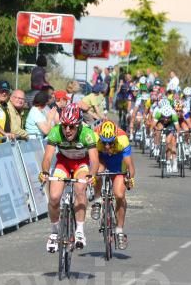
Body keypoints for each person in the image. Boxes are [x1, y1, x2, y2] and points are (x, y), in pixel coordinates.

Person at [38, 105, 99, 251]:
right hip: (63, 163)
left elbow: (94, 160)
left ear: (78, 125)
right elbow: (47, 157)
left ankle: (79, 230)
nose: (67, 130)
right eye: (64, 126)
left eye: (71, 126)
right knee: (54, 197)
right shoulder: (56, 132)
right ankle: (54, 232)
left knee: (80, 189)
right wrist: (45, 172)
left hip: (81, 165)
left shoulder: (87, 133)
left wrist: (92, 174)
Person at [90, 120, 135, 250]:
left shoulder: (122, 139)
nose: (108, 146)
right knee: (97, 173)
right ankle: (97, 199)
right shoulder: (95, 136)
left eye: (110, 142)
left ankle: (120, 230)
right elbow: (92, 161)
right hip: (102, 159)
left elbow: (130, 165)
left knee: (119, 195)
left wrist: (130, 179)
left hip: (118, 162)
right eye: (104, 142)